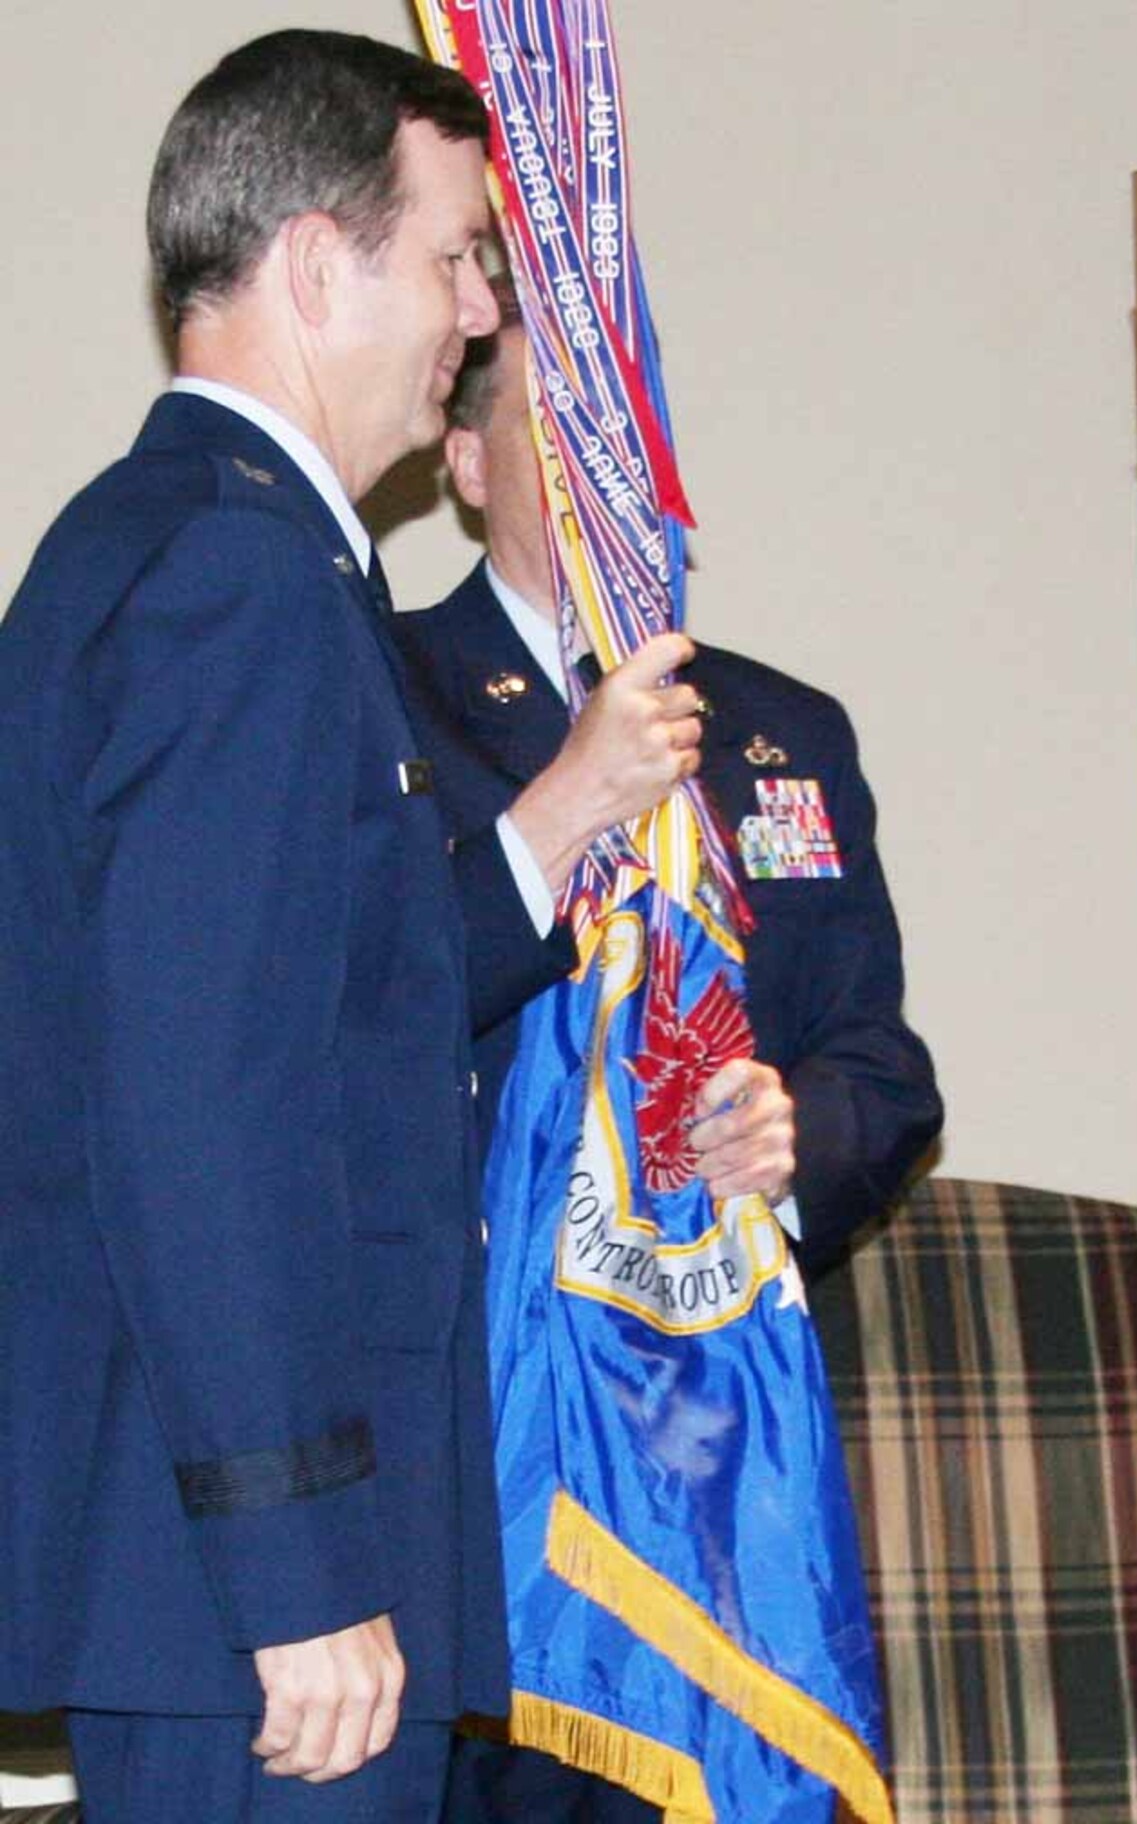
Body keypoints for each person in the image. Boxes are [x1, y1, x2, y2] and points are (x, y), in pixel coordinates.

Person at [0, 31, 705, 1824]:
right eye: (460, 255)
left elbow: (327, 1009)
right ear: (322, 266)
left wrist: (546, 838)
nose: (479, 311)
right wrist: (302, 1566)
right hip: (252, 1581)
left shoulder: (190, 544)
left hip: (218, 1561)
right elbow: (197, 1107)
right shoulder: (241, 576)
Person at [390, 281, 944, 1822]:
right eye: (555, 437)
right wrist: (563, 798)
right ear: (468, 460)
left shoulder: (780, 732)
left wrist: (800, 1129)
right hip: (485, 1445)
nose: (603, 478)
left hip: (714, 1453)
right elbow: (344, 1022)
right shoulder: (377, 688)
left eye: (630, 444)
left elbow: (882, 1065)